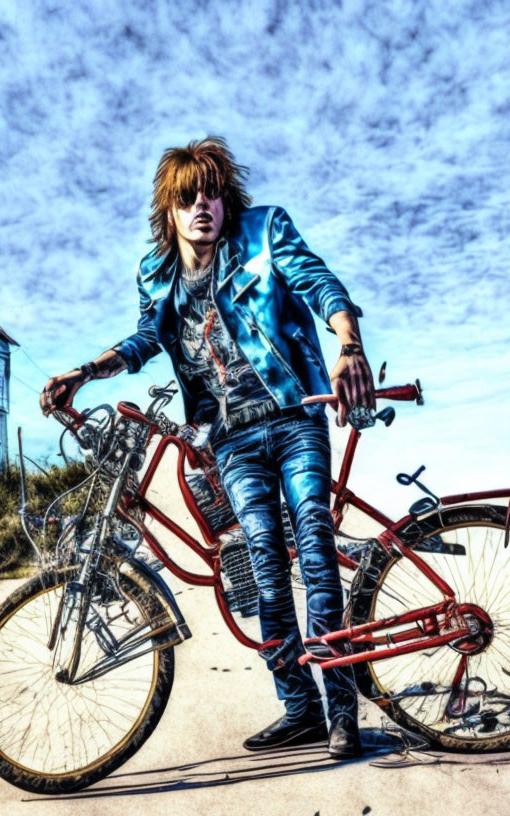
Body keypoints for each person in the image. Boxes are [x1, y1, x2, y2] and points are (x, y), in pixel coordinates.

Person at [41, 136, 375, 759]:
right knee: (264, 566)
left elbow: (318, 282)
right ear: (169, 210)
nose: (203, 206)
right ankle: (300, 709)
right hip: (230, 437)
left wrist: (348, 344)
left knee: (314, 543)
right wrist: (86, 372)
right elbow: (146, 338)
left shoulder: (263, 232)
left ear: (226, 201)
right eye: (187, 197)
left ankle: (341, 711)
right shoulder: (156, 272)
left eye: (212, 194)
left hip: (294, 415)